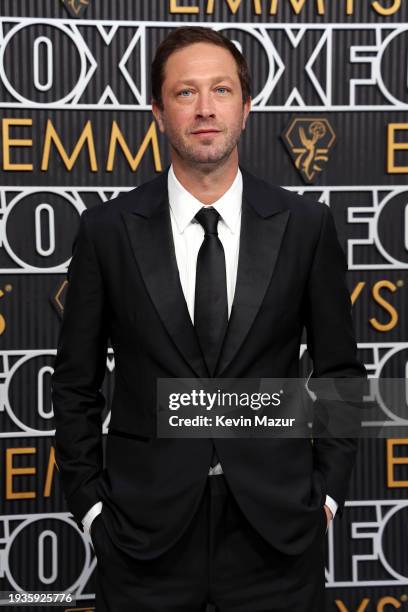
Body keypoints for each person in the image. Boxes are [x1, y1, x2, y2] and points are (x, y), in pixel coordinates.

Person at [52, 26, 366, 611]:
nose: (204, 109)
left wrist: (325, 498)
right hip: (144, 539)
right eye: (184, 92)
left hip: (278, 535)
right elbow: (75, 385)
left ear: (246, 108)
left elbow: (341, 372)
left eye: (221, 90)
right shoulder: (107, 231)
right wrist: (94, 510)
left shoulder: (304, 226)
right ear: (157, 110)